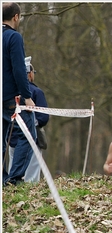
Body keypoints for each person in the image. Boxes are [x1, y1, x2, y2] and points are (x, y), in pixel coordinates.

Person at [2, 2, 36, 186]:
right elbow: (18, 69)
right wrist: (27, 96)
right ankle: (13, 179)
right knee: (29, 133)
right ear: (16, 17)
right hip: (9, 98)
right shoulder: (13, 37)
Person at [8, 61, 49, 183]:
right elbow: (43, 117)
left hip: (12, 138)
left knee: (13, 170)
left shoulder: (8, 93)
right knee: (31, 177)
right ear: (30, 74)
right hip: (32, 138)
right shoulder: (36, 92)